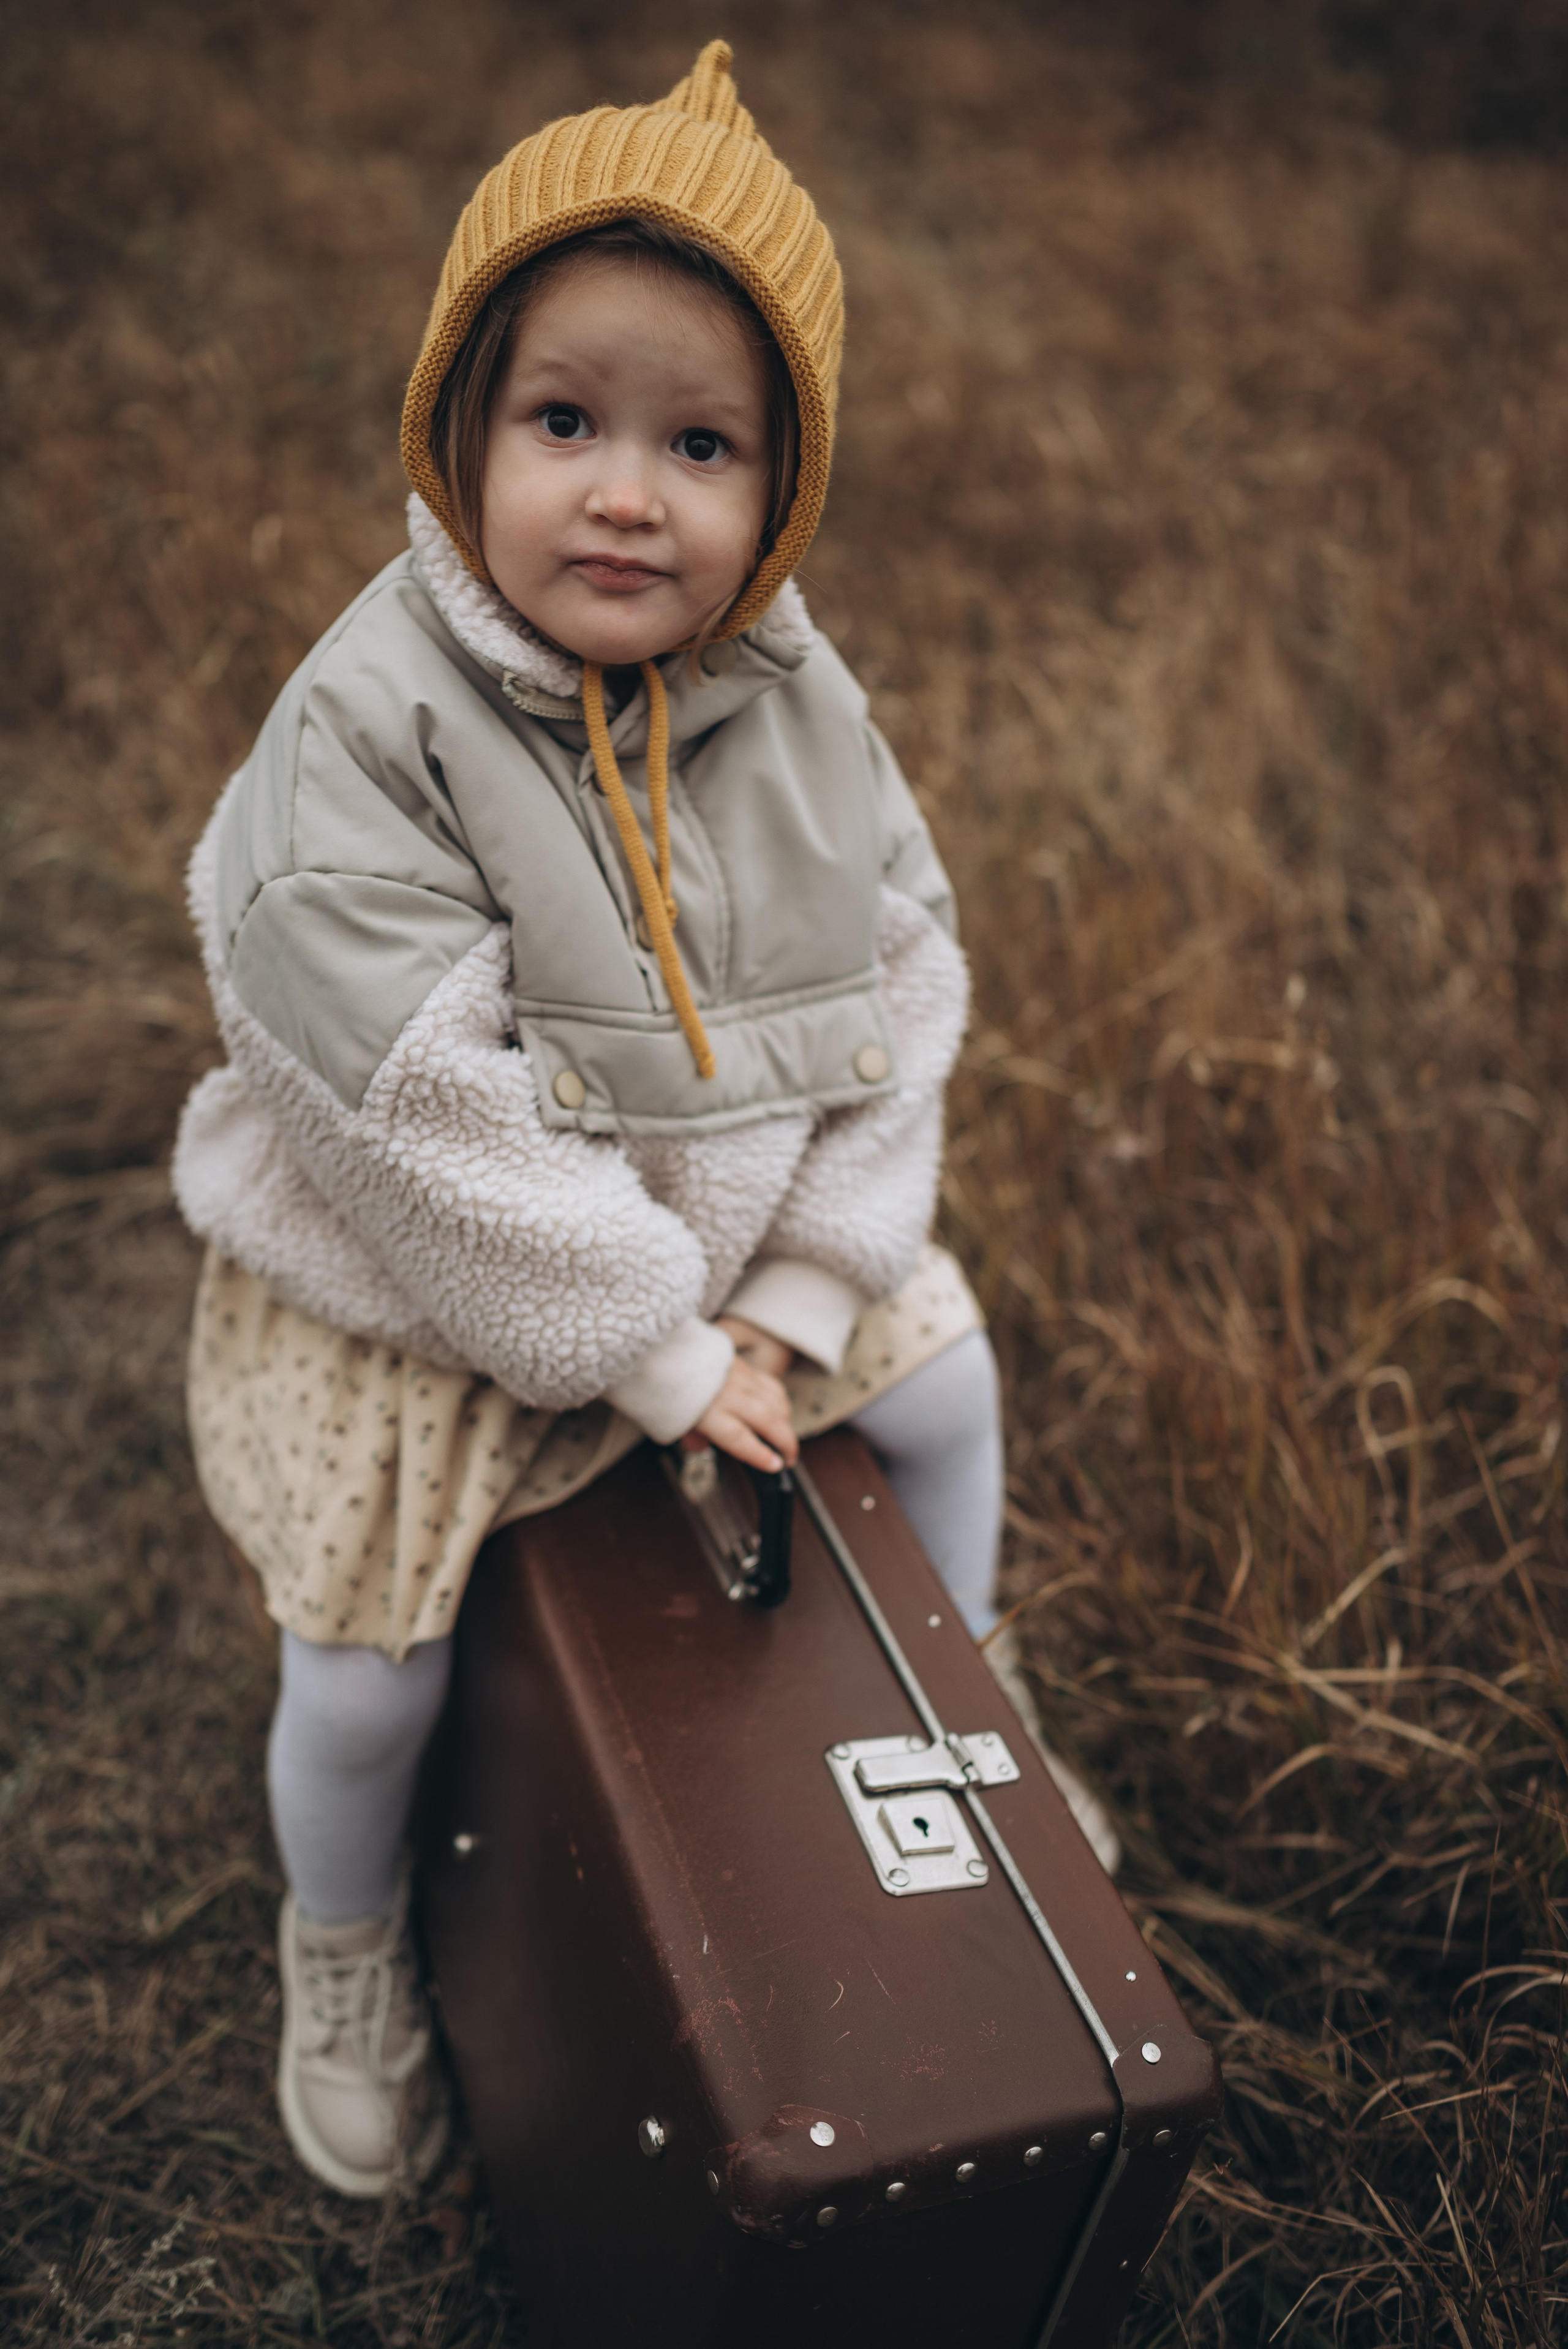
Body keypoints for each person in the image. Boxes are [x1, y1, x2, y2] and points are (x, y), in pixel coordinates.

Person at [173, 40, 1118, 2204]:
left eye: (700, 445)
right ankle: (338, 1940)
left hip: (728, 1245)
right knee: (368, 1671)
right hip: (438, 1294)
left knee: (951, 1384)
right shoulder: (369, 731)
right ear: (459, 428)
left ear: (778, 492)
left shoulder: (794, 702)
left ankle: (968, 1729)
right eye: (566, 422)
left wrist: (793, 1293)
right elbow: (411, 1116)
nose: (628, 492)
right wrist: (660, 1346)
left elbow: (902, 987)